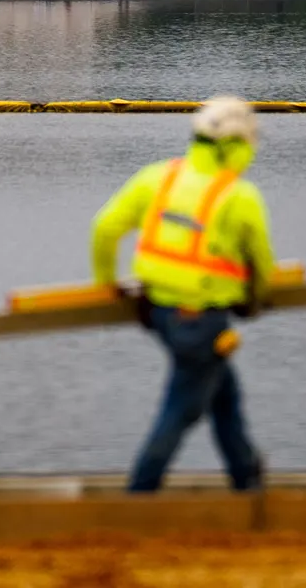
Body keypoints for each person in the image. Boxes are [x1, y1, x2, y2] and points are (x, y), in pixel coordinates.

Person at [90, 96, 273, 493]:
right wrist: (254, 301)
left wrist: (106, 282)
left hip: (156, 311)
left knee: (225, 398)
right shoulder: (239, 196)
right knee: (182, 409)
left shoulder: (159, 177)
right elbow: (262, 265)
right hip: (201, 320)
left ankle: (248, 484)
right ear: (235, 147)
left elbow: (104, 228)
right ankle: (139, 494)